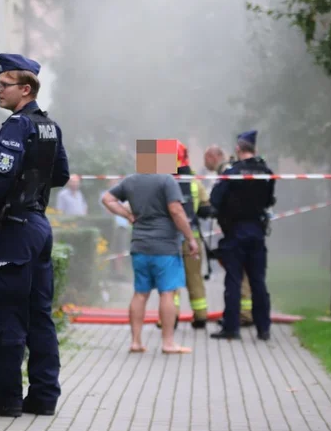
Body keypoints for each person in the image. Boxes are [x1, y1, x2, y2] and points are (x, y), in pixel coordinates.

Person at [0, 53, 69, 417]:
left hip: (14, 228)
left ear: (24, 89)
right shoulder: (49, 126)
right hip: (39, 226)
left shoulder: (17, 126)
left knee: (7, 316)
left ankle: (7, 397)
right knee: (39, 314)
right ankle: (44, 396)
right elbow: (60, 175)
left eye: (3, 84)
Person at [102, 159, 200, 354]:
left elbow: (107, 199)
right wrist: (190, 238)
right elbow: (176, 210)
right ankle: (168, 343)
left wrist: (128, 215)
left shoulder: (131, 181)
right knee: (167, 292)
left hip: (139, 245)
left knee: (140, 293)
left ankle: (136, 342)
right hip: (164, 247)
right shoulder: (167, 180)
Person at [209, 130, 275, 341]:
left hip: (235, 232)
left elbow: (215, 200)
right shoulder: (266, 172)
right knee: (258, 282)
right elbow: (268, 201)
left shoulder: (232, 172)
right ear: (254, 148)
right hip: (257, 231)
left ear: (238, 148)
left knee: (234, 281)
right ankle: (263, 329)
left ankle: (231, 328)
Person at [204, 144, 253, 326]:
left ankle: (244, 314)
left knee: (238, 272)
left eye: (205, 159)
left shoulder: (227, 172)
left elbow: (223, 200)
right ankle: (246, 312)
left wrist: (212, 208)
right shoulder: (231, 170)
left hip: (235, 230)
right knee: (244, 271)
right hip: (243, 228)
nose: (205, 164)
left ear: (212, 157)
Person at [175, 142, 210, 329]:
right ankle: (201, 315)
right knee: (194, 277)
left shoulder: (163, 181)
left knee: (171, 279)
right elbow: (206, 208)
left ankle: (169, 318)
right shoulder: (195, 182)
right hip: (192, 238)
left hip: (170, 239)